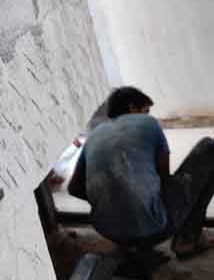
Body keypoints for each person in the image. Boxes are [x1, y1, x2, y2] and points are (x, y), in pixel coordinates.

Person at [68, 86, 214, 263]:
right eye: (145, 110)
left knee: (137, 196)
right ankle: (187, 240)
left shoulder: (95, 134)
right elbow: (163, 179)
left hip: (108, 232)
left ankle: (130, 245)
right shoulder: (148, 123)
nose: (147, 115)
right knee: (209, 147)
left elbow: (74, 188)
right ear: (132, 107)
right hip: (154, 230)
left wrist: (111, 201)